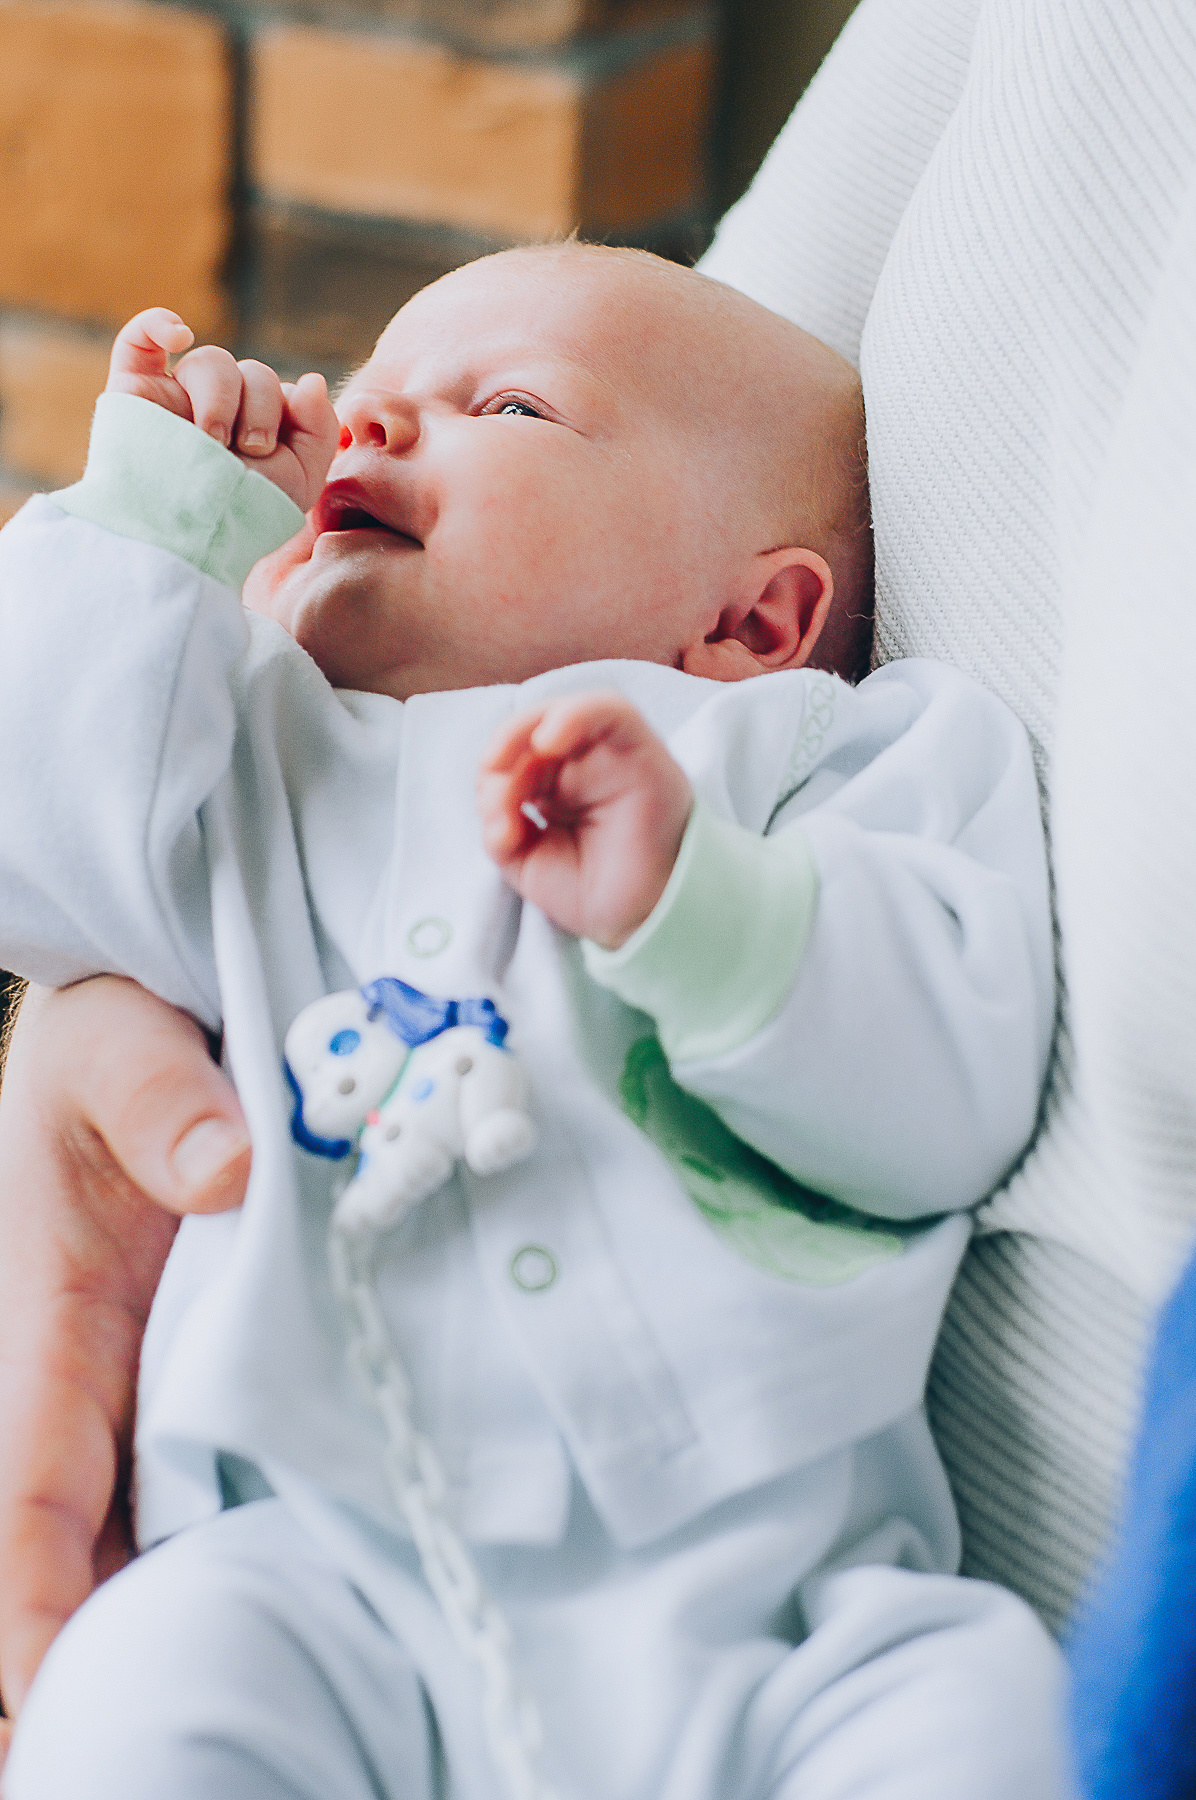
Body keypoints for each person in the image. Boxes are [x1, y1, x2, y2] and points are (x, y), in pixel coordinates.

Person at [4, 0, 1193, 1790]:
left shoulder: (827, 765)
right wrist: (157, 527)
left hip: (786, 1608)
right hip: (308, 1575)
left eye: (505, 407)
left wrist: (703, 916)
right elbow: (33, 851)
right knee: (140, 1705)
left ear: (752, 621)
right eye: (382, 382)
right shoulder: (257, 745)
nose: (378, 417)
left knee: (975, 1722)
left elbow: (949, 1088)